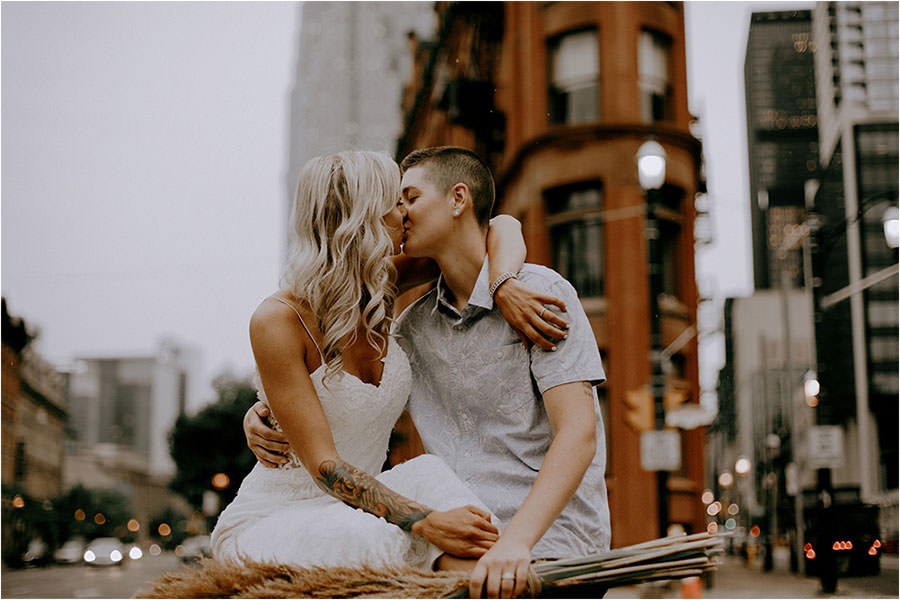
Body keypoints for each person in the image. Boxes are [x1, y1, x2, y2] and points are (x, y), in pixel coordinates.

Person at [245, 146, 611, 599]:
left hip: (541, 543)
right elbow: (318, 409)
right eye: (395, 202)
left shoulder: (538, 297)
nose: (402, 212)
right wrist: (268, 410)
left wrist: (503, 284)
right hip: (426, 524)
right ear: (363, 218)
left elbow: (499, 223)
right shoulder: (406, 323)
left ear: (456, 200)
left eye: (409, 198)